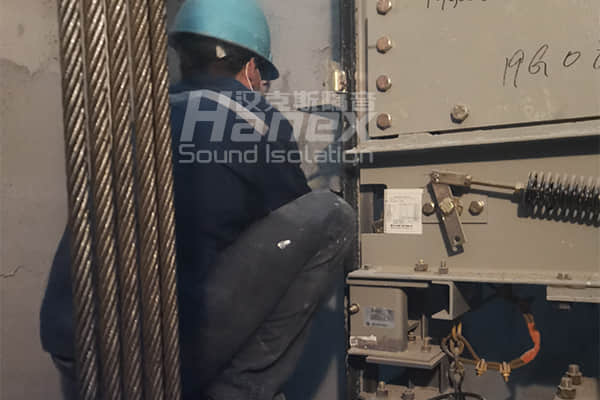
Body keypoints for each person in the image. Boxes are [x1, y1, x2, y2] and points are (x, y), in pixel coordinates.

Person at [40, 0, 356, 399]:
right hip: (157, 354)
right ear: (251, 69)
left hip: (75, 351)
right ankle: (236, 391)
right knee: (330, 214)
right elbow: (292, 227)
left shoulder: (145, 117)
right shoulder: (254, 117)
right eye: (262, 78)